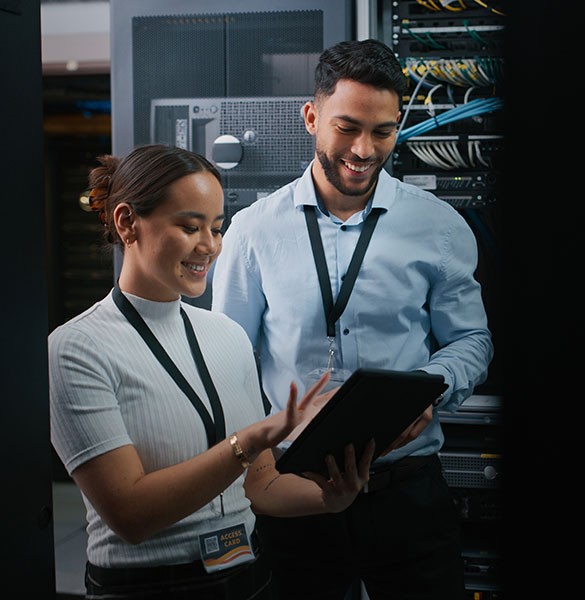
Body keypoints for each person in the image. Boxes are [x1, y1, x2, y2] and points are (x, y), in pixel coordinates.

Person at [211, 39, 494, 600]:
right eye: (347, 127)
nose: (364, 149)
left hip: (407, 490)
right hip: (293, 490)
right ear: (312, 117)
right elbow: (230, 363)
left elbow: (471, 340)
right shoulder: (252, 230)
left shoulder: (439, 226)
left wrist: (431, 393)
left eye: (383, 131)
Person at [49, 143, 373, 600]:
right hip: (147, 587)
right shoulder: (76, 348)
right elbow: (131, 516)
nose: (210, 246)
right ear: (126, 223)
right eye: (189, 226)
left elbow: (260, 486)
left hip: (248, 577)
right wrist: (252, 439)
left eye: (217, 228)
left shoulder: (227, 335)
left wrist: (328, 499)